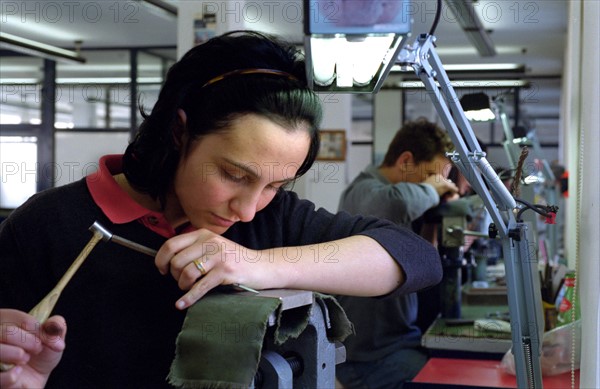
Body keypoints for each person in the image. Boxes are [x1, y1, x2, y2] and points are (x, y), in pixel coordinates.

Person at [0, 31, 442, 388]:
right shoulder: (45, 227)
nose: (248, 210)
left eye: (275, 184)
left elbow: (415, 258)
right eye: (234, 175)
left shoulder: (275, 219)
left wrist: (257, 264)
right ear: (178, 131)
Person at [335, 118, 458, 389]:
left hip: (400, 341)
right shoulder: (364, 192)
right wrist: (431, 191)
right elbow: (395, 202)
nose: (437, 185)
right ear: (405, 161)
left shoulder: (404, 204)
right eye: (431, 176)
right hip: (368, 357)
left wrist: (432, 218)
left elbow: (424, 264)